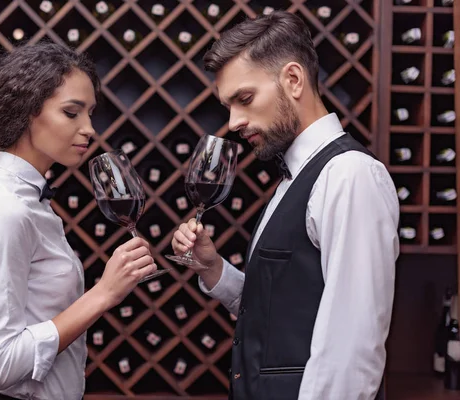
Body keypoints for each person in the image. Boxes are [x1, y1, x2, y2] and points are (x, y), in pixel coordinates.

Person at [171, 11, 399, 400]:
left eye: (244, 99)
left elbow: (351, 351)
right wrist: (213, 268)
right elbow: (280, 309)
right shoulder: (295, 177)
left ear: (293, 80)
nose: (233, 122)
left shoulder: (349, 175)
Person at [0, 41, 157, 400]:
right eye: (72, 113)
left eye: (90, 113)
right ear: (27, 111)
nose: (89, 129)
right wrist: (104, 294)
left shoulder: (31, 200)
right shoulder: (8, 211)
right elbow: (0, 364)